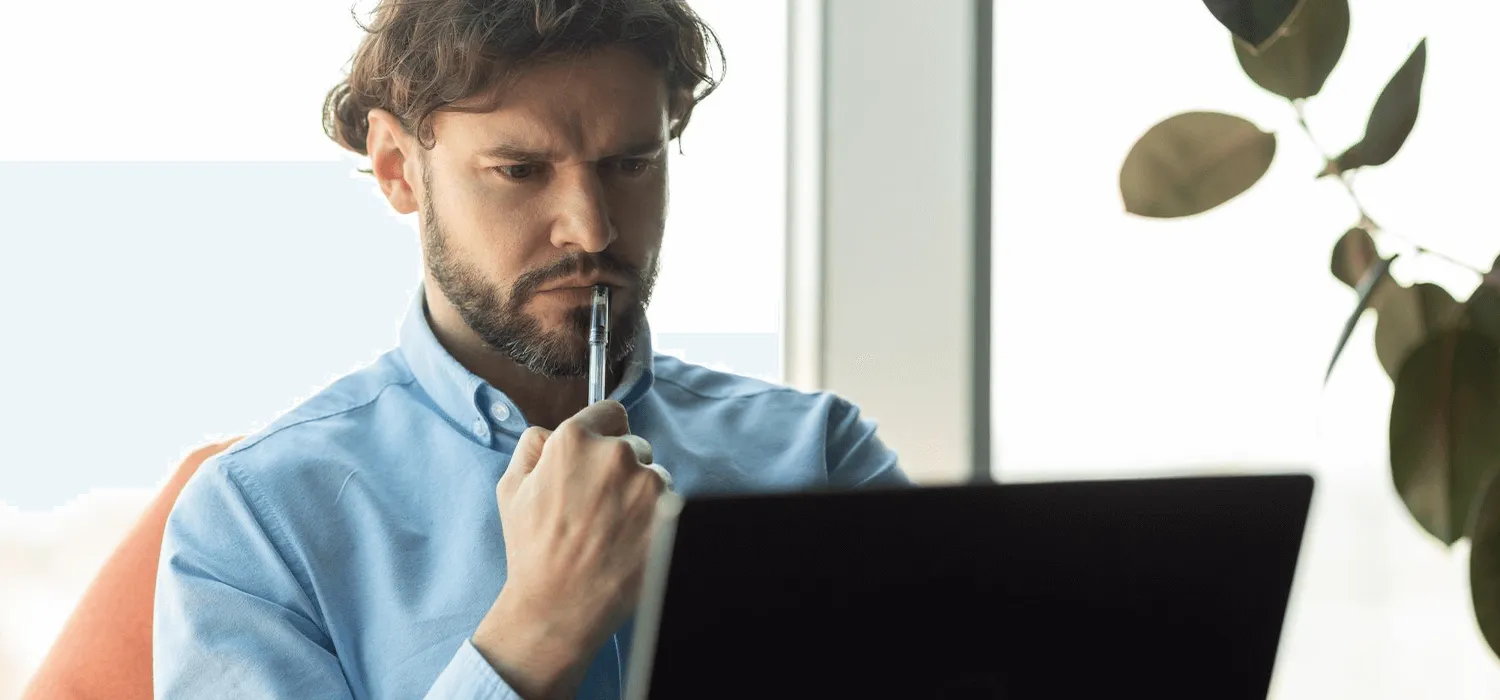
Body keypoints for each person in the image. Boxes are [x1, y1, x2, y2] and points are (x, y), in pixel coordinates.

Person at [152, 1, 911, 698]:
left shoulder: (819, 457)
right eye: (520, 170)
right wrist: (540, 624)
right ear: (397, 166)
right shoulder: (257, 522)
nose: (591, 229)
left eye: (631, 164)